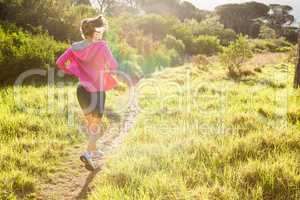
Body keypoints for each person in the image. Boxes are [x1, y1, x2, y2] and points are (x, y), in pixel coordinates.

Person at [56, 15, 118, 171]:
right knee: (95, 123)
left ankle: (94, 150)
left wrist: (75, 69)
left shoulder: (74, 47)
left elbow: (60, 63)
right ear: (95, 31)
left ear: (84, 32)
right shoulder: (102, 46)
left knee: (91, 123)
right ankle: (88, 154)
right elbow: (113, 65)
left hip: (81, 90)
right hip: (97, 90)